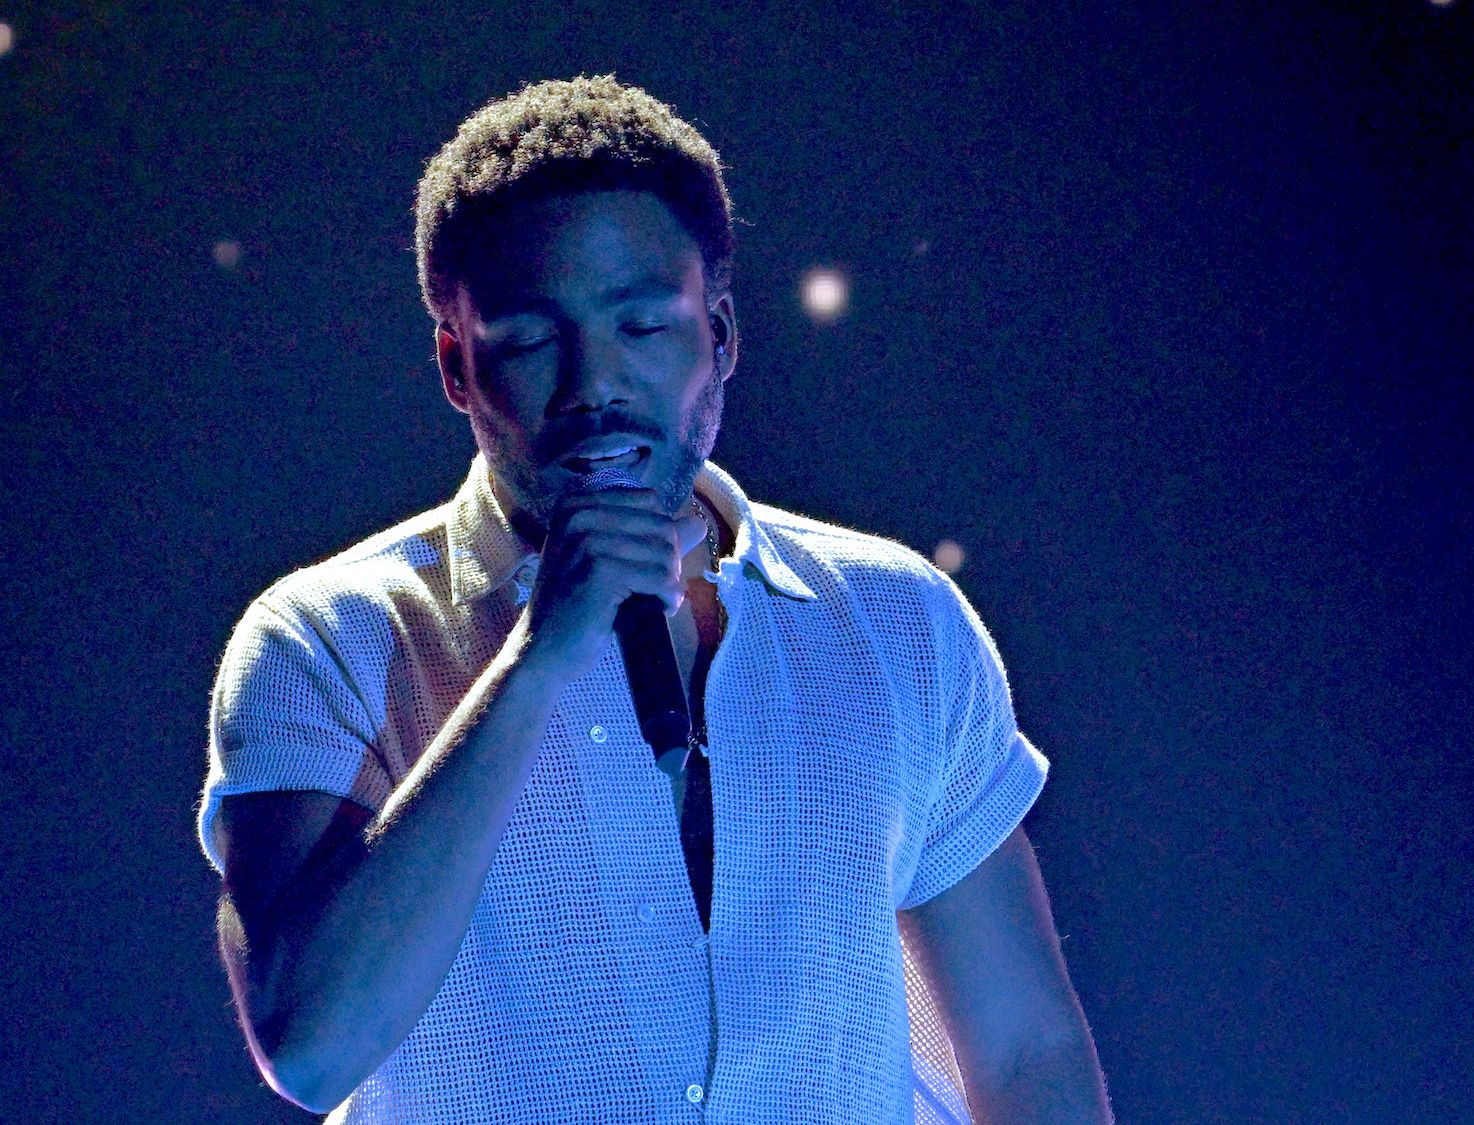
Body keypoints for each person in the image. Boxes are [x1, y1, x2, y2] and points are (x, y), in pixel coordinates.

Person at [196, 75, 1112, 1124]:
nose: (595, 385)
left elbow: (1027, 1050)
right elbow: (310, 1047)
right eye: (532, 340)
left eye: (642, 325)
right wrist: (537, 662)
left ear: (718, 335)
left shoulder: (894, 620)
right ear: (457, 364)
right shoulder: (324, 639)